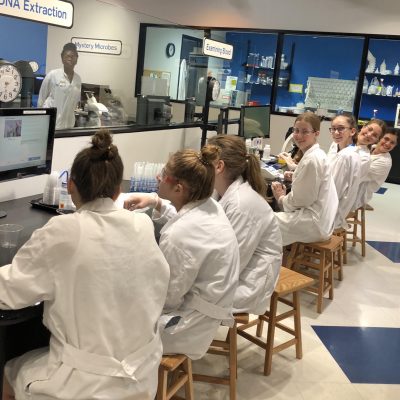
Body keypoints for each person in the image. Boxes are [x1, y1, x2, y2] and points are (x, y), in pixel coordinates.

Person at [0, 130, 170, 400]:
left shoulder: (64, 230)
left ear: (70, 186)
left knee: (9, 372)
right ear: (118, 191)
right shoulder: (142, 224)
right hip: (142, 375)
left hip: (84, 384)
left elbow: (10, 291)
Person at [124, 146, 240, 360]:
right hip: (206, 307)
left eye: (164, 174)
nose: (158, 177)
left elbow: (167, 298)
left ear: (178, 188)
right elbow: (187, 221)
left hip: (186, 324)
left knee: (114, 321)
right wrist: (156, 202)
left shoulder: (178, 236)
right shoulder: (210, 205)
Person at [208, 135, 282, 315]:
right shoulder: (223, 192)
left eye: (204, 159)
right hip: (234, 272)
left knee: (185, 297)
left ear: (219, 166)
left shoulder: (242, 205)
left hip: (248, 284)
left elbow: (232, 263)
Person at [271, 112, 338, 246]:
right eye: (296, 130)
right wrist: (297, 175)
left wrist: (281, 198)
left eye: (305, 132)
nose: (299, 135)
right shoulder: (317, 153)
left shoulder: (311, 160)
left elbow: (301, 200)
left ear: (316, 133)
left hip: (314, 223)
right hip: (323, 218)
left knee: (263, 221)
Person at [327, 114, 361, 229]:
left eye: (341, 128)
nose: (336, 132)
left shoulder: (346, 156)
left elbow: (332, 189)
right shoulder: (339, 148)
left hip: (330, 215)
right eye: (333, 129)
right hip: (335, 211)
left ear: (352, 131)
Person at [38, 42, 82, 130]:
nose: (70, 58)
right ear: (62, 58)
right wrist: (40, 119)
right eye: (67, 56)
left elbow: (75, 103)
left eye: (73, 56)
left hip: (69, 126)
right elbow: (41, 100)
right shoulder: (53, 75)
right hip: (51, 124)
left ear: (77, 59)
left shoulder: (78, 79)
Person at [352, 119, 386, 210]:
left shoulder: (365, 158)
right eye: (369, 129)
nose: (369, 134)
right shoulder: (345, 141)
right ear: (363, 127)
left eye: (375, 135)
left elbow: (351, 182)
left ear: (377, 140)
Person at [364, 128, 398, 206]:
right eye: (386, 139)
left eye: (392, 143)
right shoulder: (372, 147)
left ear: (394, 146)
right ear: (380, 138)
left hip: (359, 195)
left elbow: (358, 176)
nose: (388, 144)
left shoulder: (384, 162)